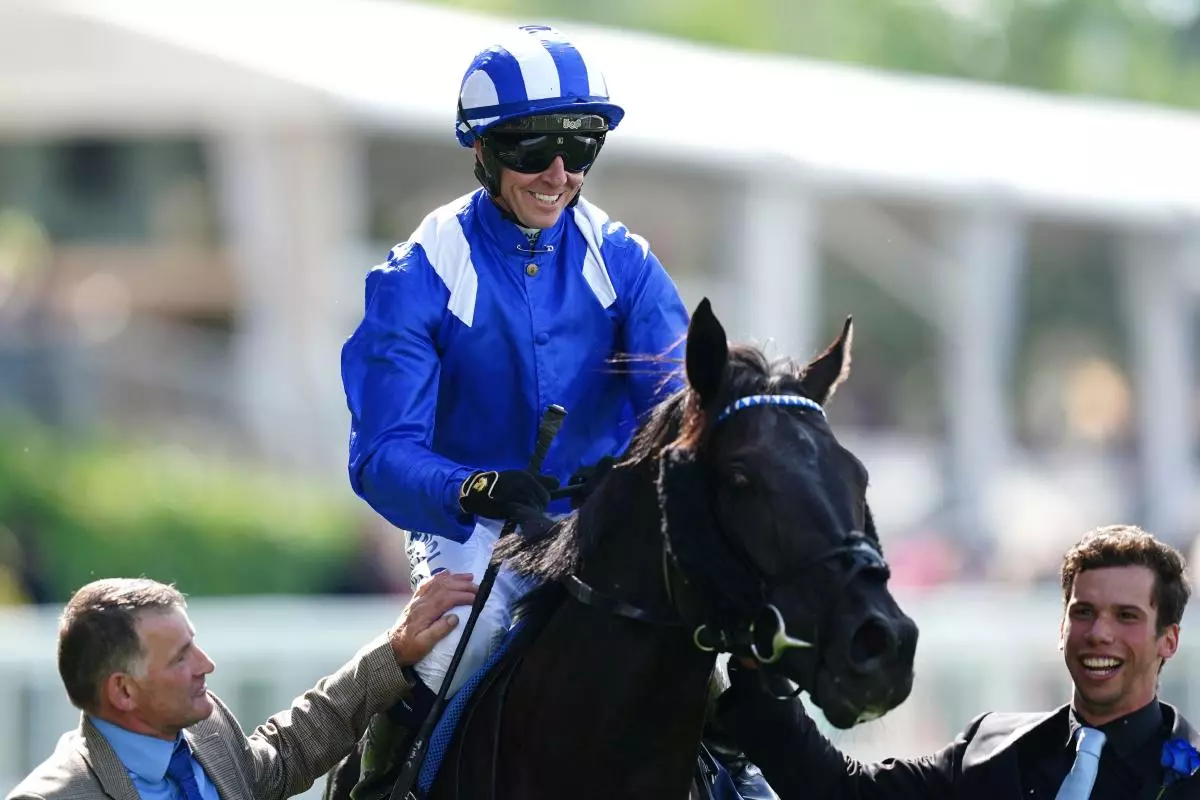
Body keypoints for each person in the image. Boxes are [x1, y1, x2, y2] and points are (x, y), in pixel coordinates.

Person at [337, 22, 776, 800]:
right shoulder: (417, 272)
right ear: (482, 152)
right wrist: (470, 489)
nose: (558, 174)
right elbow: (379, 454)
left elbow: (678, 406)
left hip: (602, 521)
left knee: (705, 649)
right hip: (472, 530)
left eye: (580, 151)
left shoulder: (625, 262)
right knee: (447, 653)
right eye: (531, 151)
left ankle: (745, 779)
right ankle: (381, 785)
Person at [715, 524, 1200, 800]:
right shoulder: (990, 747)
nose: (1100, 633)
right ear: (1061, 626)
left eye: (1127, 616)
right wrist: (761, 673)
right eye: (1084, 612)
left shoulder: (1191, 775)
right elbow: (842, 793)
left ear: (1169, 640)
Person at [6, 571, 477, 800]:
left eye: (195, 645)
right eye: (180, 658)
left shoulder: (208, 730)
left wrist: (394, 653)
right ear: (123, 692)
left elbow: (290, 751)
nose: (205, 665)